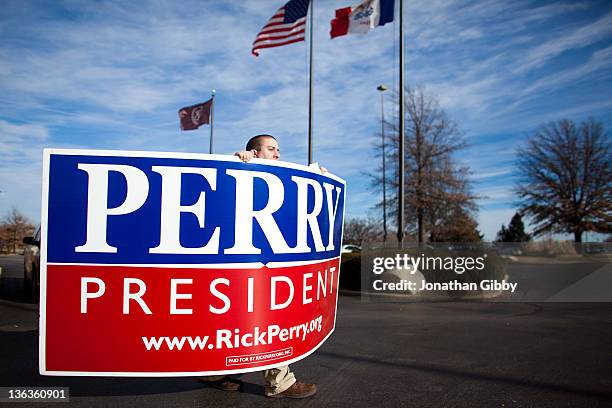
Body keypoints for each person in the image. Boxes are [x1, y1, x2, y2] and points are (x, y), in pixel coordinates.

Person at [199, 134, 317, 399]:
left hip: (269, 266)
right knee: (234, 322)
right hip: (238, 266)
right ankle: (213, 373)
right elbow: (218, 192)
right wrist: (234, 162)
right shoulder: (238, 171)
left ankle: (280, 382)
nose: (277, 154)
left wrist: (317, 179)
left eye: (278, 149)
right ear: (253, 151)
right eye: (271, 148)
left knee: (271, 320)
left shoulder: (282, 181)